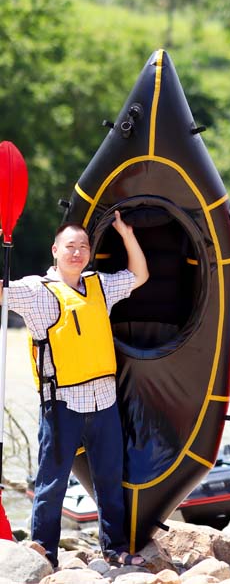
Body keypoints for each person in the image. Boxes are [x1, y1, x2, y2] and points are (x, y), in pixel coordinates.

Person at [1, 212, 149, 567]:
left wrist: (127, 234)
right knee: (52, 484)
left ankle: (114, 549)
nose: (78, 252)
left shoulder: (99, 285)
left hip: (104, 400)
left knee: (109, 479)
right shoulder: (36, 291)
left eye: (84, 246)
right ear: (55, 250)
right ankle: (45, 553)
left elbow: (139, 275)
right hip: (62, 403)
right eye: (70, 246)